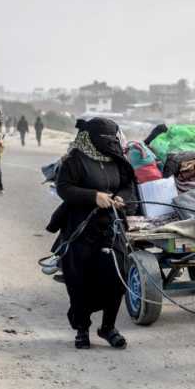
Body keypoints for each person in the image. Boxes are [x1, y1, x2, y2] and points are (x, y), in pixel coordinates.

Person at [49, 117, 137, 350]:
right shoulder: (75, 159)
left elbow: (128, 186)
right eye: (105, 139)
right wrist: (94, 197)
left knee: (117, 278)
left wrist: (121, 199)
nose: (111, 143)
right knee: (80, 281)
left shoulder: (117, 159)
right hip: (80, 229)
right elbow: (64, 188)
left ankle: (108, 327)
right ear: (91, 138)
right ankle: (82, 329)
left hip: (111, 227)